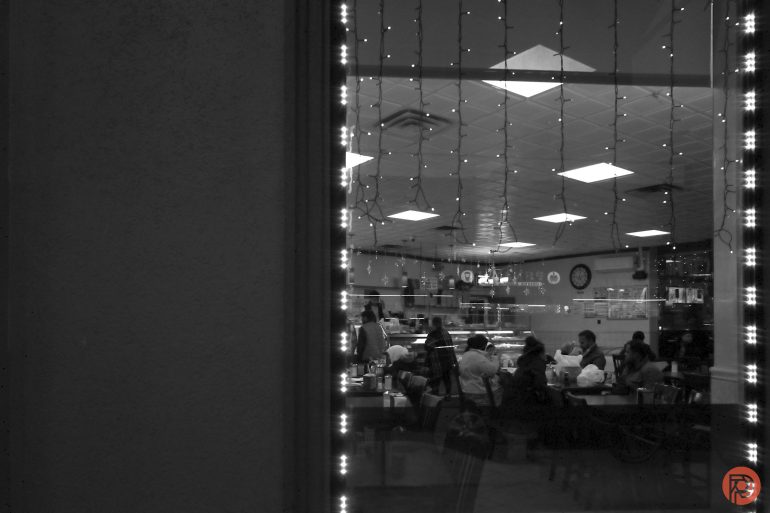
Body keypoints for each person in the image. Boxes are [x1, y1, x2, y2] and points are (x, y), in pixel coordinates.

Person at [458, 334, 502, 407]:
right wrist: (494, 357)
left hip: (467, 390)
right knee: (505, 386)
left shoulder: (466, 354)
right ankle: (498, 412)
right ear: (483, 346)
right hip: (479, 392)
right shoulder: (477, 357)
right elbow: (492, 371)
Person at [505, 336, 548, 408]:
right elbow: (540, 385)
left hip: (514, 403)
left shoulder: (523, 363)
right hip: (526, 404)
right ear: (540, 353)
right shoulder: (537, 363)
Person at [424, 317, 457, 395]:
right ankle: (448, 395)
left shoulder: (433, 334)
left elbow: (427, 346)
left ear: (433, 324)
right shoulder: (446, 332)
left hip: (437, 362)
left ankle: (436, 399)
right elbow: (450, 347)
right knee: (447, 379)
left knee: (436, 381)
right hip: (447, 360)